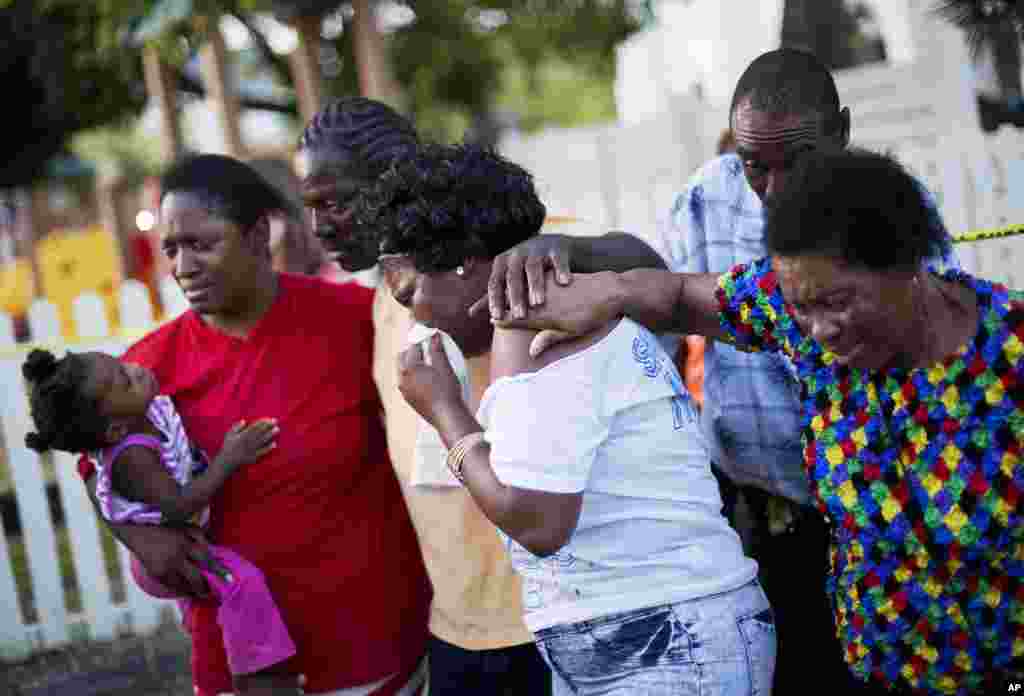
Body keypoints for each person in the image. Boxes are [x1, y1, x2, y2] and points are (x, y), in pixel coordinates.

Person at [476, 47, 958, 694]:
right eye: (756, 165)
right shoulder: (707, 199)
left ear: (840, 131)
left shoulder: (887, 210)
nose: (777, 188)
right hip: (760, 515)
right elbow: (667, 286)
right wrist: (580, 254)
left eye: (800, 160)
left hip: (877, 520)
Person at [363, 142, 771, 695]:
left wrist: (446, 413)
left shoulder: (546, 329)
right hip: (646, 636)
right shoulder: (553, 312)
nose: (413, 313)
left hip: (668, 645)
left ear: (466, 268)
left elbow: (537, 523)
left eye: (412, 292)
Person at [76, 152, 432, 696]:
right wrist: (140, 540)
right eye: (170, 248)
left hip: (369, 637)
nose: (182, 266)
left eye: (202, 243)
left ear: (259, 234)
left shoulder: (353, 319)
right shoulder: (145, 371)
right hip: (238, 662)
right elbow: (92, 463)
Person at [298, 96, 553, 694]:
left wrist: (569, 252)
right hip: (458, 633)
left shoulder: (503, 265)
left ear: (392, 182)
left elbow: (639, 268)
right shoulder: (384, 305)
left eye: (333, 201)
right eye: (309, 206)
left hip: (550, 622)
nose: (319, 225)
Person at [23, 348, 294, 695]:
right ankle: (257, 678)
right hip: (170, 550)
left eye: (123, 366)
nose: (136, 369)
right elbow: (179, 507)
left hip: (178, 533)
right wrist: (229, 459)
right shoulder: (133, 457)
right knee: (242, 582)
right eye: (125, 380)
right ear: (116, 428)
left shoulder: (144, 411)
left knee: (220, 590)